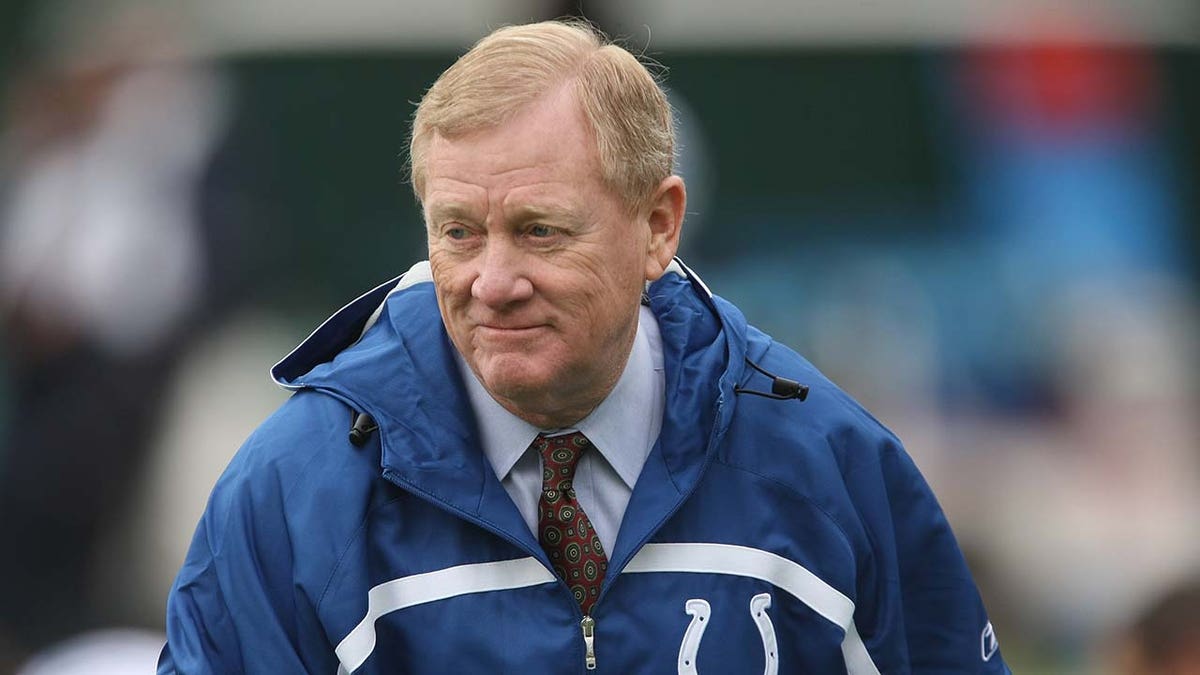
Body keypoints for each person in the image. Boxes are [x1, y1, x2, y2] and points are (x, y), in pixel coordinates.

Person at [160, 20, 1010, 674]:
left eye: (539, 231)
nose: (492, 280)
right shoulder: (292, 493)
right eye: (458, 232)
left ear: (659, 225)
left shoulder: (830, 467)